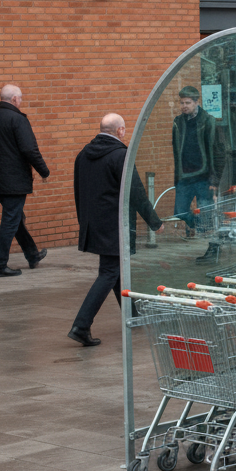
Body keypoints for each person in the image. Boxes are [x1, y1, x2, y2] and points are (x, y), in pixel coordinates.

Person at [69, 113, 162, 346]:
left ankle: (132, 314)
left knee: (117, 270)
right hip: (115, 225)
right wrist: (155, 222)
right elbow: (137, 192)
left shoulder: (83, 155)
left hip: (96, 224)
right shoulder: (121, 155)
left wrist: (85, 223)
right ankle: (81, 325)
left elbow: (78, 191)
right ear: (120, 130)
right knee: (109, 272)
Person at [0, 84, 50, 277]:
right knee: (11, 220)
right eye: (20, 99)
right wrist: (44, 171)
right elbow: (30, 149)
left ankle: (32, 254)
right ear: (14, 100)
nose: (21, 102)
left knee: (16, 217)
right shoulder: (17, 119)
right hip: (14, 180)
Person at [171, 85, 221, 249]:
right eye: (182, 103)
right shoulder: (178, 123)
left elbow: (217, 151)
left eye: (187, 103)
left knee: (206, 220)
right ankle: (196, 223)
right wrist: (177, 177)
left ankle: (212, 250)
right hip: (185, 177)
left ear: (196, 102)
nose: (184, 106)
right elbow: (175, 151)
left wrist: (214, 179)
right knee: (179, 211)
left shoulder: (208, 121)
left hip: (203, 176)